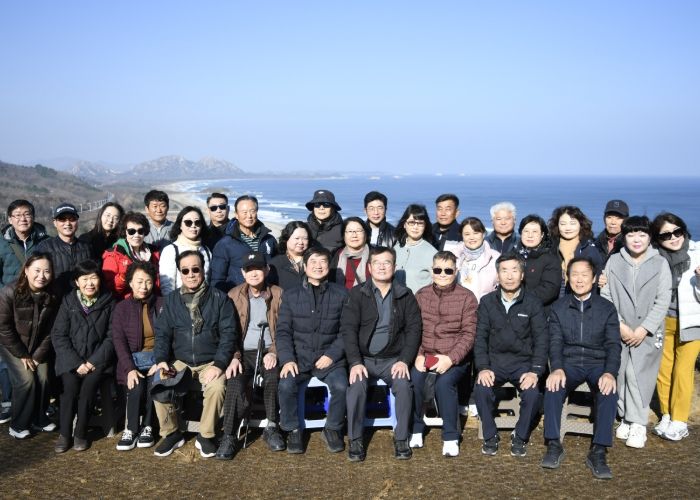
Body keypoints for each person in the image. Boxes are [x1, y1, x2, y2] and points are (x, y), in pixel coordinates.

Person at [541, 257, 621, 479]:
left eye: (584, 275)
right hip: (569, 362)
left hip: (597, 363)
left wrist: (610, 372)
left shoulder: (606, 308)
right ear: (567, 278)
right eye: (574, 274)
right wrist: (556, 368)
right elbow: (554, 342)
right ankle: (553, 443)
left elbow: (613, 344)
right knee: (553, 387)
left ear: (594, 278)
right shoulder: (559, 307)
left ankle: (599, 450)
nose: (579, 279)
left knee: (608, 391)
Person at [152, 250, 237, 458]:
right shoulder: (171, 301)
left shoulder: (220, 299)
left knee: (217, 387)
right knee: (161, 381)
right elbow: (162, 334)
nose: (191, 274)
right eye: (185, 270)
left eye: (195, 269)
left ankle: (206, 435)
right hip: (181, 361)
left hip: (211, 361)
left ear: (203, 270)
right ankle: (171, 433)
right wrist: (161, 360)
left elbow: (229, 334)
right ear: (180, 273)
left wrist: (219, 364)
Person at [342, 246, 422, 462]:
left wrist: (404, 360)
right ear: (369, 267)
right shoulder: (357, 294)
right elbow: (348, 330)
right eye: (377, 263)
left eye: (387, 263)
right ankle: (355, 439)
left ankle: (402, 438)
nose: (382, 267)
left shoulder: (405, 294)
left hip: (393, 359)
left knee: (404, 386)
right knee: (356, 387)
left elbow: (414, 330)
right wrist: (355, 362)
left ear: (394, 267)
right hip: (364, 359)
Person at [600, 216, 671, 449]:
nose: (636, 239)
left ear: (649, 237)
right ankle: (625, 417)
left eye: (642, 234)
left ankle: (638, 422)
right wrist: (620, 325)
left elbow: (663, 300)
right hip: (620, 328)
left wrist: (643, 329)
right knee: (620, 372)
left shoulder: (660, 263)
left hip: (648, 331)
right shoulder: (614, 261)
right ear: (624, 237)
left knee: (638, 374)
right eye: (631, 234)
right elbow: (607, 295)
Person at [473, 253, 547, 457]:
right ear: (497, 275)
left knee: (533, 393)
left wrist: (535, 371)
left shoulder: (533, 303)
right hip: (494, 362)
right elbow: (480, 338)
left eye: (515, 270)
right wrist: (483, 367)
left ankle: (520, 435)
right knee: (481, 389)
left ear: (522, 275)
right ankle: (490, 435)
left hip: (523, 363)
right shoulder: (487, 302)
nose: (509, 275)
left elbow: (541, 340)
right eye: (504, 271)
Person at [275, 247, 348, 455]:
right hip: (299, 358)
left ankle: (332, 428)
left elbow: (347, 331)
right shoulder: (291, 295)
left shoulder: (341, 294)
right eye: (313, 262)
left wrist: (331, 355)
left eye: (322, 261)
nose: (318, 266)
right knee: (286, 385)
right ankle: (292, 429)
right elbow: (283, 332)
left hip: (330, 359)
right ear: (305, 267)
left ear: (329, 266)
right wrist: (288, 359)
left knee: (341, 386)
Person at [216, 252, 284, 459]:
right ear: (243, 272)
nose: (254, 273)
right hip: (242, 352)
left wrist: (274, 352)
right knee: (235, 382)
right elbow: (227, 331)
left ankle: (272, 426)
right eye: (249, 269)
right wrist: (234, 356)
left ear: (266, 270)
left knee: (272, 377)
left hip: (268, 351)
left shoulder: (278, 294)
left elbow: (285, 328)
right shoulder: (233, 295)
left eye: (258, 269)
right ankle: (229, 435)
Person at [410, 251, 477, 457]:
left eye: (448, 270)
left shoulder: (467, 297)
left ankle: (450, 435)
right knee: (414, 380)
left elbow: (468, 334)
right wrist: (418, 355)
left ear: (455, 272)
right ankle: (416, 428)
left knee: (444, 383)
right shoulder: (421, 295)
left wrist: (450, 358)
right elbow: (414, 330)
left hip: (454, 357)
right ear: (432, 271)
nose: (442, 274)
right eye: (438, 269)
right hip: (426, 353)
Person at [51, 260, 115, 452]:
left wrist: (93, 361)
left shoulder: (109, 302)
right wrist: (77, 363)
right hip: (71, 361)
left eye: (93, 278)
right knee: (69, 389)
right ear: (77, 282)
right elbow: (59, 335)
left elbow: (112, 337)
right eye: (84, 279)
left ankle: (80, 432)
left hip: (98, 361)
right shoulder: (68, 301)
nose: (89, 283)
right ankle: (64, 434)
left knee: (88, 388)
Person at [651, 213, 700, 441]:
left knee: (683, 370)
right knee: (663, 369)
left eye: (677, 232)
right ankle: (667, 415)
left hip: (691, 321)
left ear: (684, 230)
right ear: (658, 239)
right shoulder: (655, 258)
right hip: (663, 321)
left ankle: (680, 421)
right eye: (666, 235)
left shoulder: (697, 253)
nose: (673, 238)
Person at [0, 254, 58, 438]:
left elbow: (52, 329)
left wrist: (38, 355)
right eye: (37, 270)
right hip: (13, 345)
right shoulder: (9, 292)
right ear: (26, 270)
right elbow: (3, 327)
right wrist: (23, 354)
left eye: (47, 271)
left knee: (43, 377)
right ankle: (18, 424)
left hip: (39, 346)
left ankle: (39, 418)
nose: (42, 276)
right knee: (26, 380)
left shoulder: (53, 295)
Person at [112, 261, 162, 451]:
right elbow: (118, 341)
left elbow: (169, 336)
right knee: (136, 386)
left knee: (153, 386)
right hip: (131, 360)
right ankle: (131, 429)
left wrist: (161, 360)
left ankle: (148, 427)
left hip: (156, 359)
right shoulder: (121, 308)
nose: (144, 287)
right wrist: (130, 369)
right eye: (139, 282)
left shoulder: (162, 304)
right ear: (130, 283)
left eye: (148, 282)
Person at [210, 195, 277, 293]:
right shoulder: (225, 244)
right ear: (236, 215)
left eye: (252, 211)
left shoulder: (269, 240)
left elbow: (276, 269)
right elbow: (217, 279)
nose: (249, 216)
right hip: (237, 297)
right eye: (244, 212)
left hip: (267, 295)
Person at [36, 203, 93, 297]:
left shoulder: (86, 247)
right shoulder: (45, 247)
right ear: (55, 223)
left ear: (77, 222)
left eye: (72, 219)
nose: (67, 223)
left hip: (81, 300)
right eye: (62, 219)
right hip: (54, 300)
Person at [102, 211, 161, 300]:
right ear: (125, 232)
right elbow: (110, 288)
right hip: (126, 303)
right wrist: (123, 277)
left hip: (152, 301)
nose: (136, 235)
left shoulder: (154, 253)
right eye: (131, 231)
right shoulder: (113, 255)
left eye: (140, 231)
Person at [548, 206, 603, 297]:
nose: (568, 228)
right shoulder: (551, 248)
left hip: (581, 297)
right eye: (563, 224)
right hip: (554, 298)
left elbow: (598, 280)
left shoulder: (589, 249)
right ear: (557, 226)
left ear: (580, 225)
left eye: (572, 223)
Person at [159, 206, 211, 295]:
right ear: (180, 225)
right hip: (180, 300)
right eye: (188, 223)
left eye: (197, 222)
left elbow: (207, 279)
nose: (193, 226)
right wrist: (172, 302)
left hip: (204, 300)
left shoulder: (206, 250)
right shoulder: (171, 250)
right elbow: (167, 285)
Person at [514, 215, 562, 312]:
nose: (530, 235)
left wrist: (520, 299)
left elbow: (549, 290)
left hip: (539, 312)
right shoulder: (512, 255)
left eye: (535, 231)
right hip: (511, 310)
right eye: (526, 231)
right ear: (521, 233)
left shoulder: (550, 259)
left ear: (542, 235)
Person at [0, 199, 49, 286]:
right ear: (10, 219)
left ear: (33, 217)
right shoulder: (2, 243)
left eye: (27, 214)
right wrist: (4, 292)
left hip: (40, 293)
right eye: (18, 215)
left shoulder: (47, 242)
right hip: (10, 293)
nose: (23, 219)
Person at [454, 217, 500, 302]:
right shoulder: (453, 256)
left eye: (476, 233)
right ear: (462, 236)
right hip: (458, 305)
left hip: (485, 307)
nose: (472, 237)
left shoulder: (495, 257)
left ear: (483, 234)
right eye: (467, 234)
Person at [394, 204, 437, 293]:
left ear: (425, 226)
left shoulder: (432, 253)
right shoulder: (395, 249)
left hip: (419, 300)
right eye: (412, 222)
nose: (415, 227)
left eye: (420, 223)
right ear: (404, 224)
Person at [267, 221, 313, 290]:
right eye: (297, 238)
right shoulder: (274, 264)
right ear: (286, 239)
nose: (301, 242)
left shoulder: (314, 261)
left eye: (305, 238)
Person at [330, 217, 371, 290]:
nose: (354, 235)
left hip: (367, 297)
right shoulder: (336, 254)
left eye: (358, 231)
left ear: (366, 234)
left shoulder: (376, 255)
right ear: (343, 235)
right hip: (339, 296)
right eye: (350, 231)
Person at [305, 189, 344, 254]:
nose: (321, 208)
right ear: (313, 208)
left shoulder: (343, 230)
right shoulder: (304, 228)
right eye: (317, 204)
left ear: (333, 208)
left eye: (326, 204)